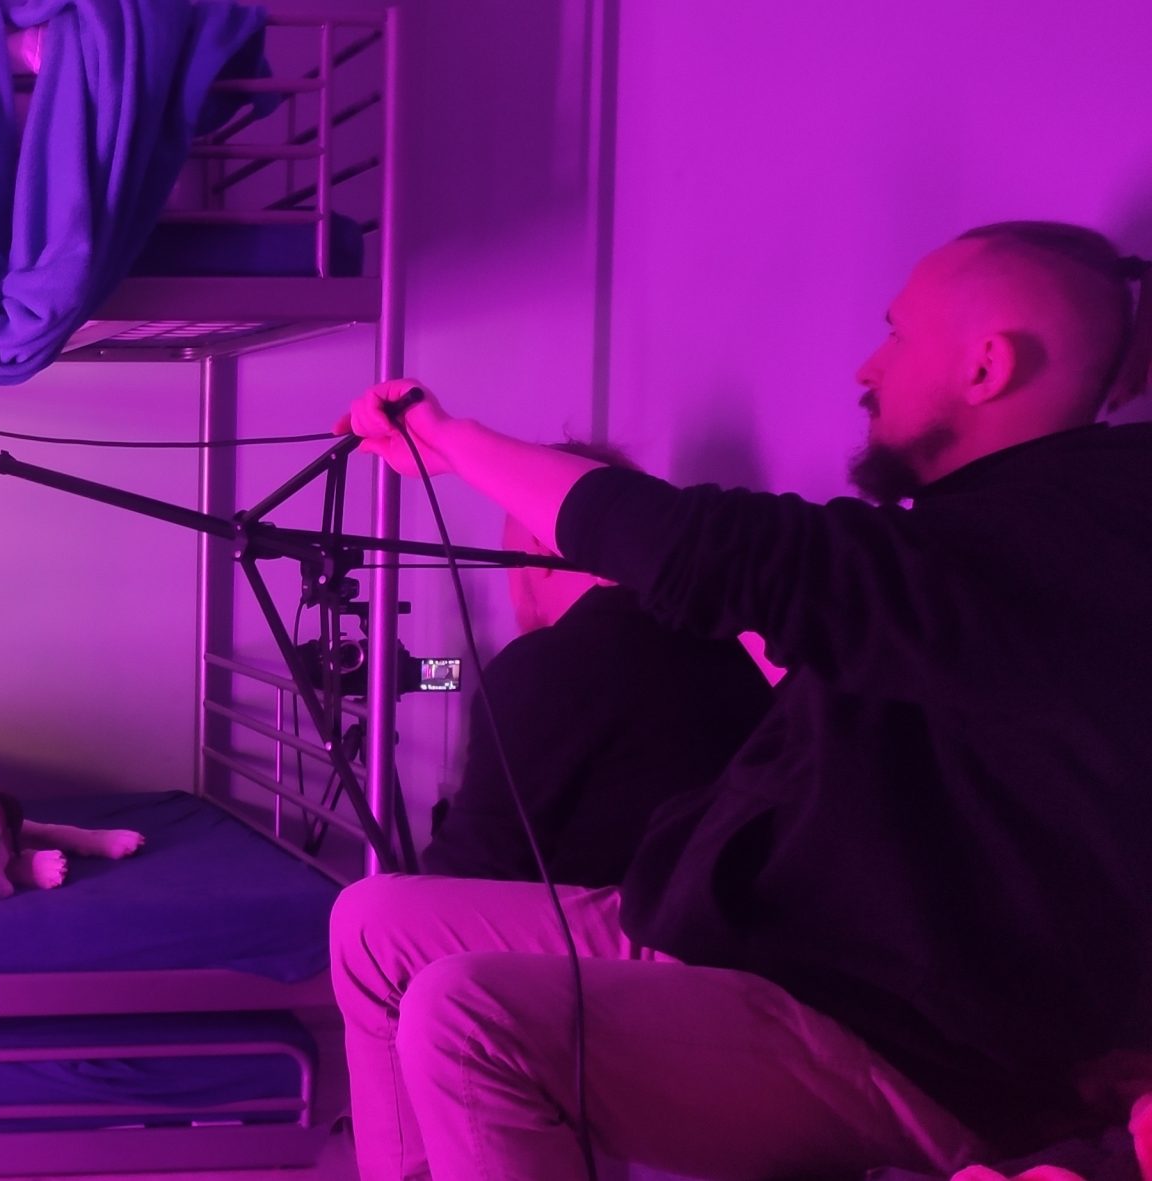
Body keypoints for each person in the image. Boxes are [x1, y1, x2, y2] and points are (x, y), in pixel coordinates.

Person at [326, 221, 1152, 1181]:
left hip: (884, 1032)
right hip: (743, 933)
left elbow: (724, 552)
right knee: (372, 923)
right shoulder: (974, 553)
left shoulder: (1061, 544)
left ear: (986, 366)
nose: (868, 366)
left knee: (467, 1016)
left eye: (896, 332)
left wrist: (451, 441)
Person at [420, 442, 773, 888]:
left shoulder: (544, 668)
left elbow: (465, 879)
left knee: (373, 907)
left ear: (539, 543)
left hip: (614, 927)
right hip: (736, 921)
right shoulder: (737, 649)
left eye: (508, 556)